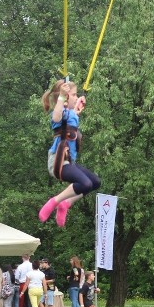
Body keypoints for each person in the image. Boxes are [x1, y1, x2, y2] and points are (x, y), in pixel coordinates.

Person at [38, 79, 101, 227]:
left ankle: (66, 204)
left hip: (68, 161)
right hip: (58, 162)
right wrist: (61, 97)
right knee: (85, 184)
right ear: (65, 99)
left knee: (95, 183)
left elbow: (71, 114)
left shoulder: (70, 113)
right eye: (73, 94)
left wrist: (78, 104)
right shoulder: (59, 113)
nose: (76, 96)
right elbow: (57, 116)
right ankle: (54, 201)